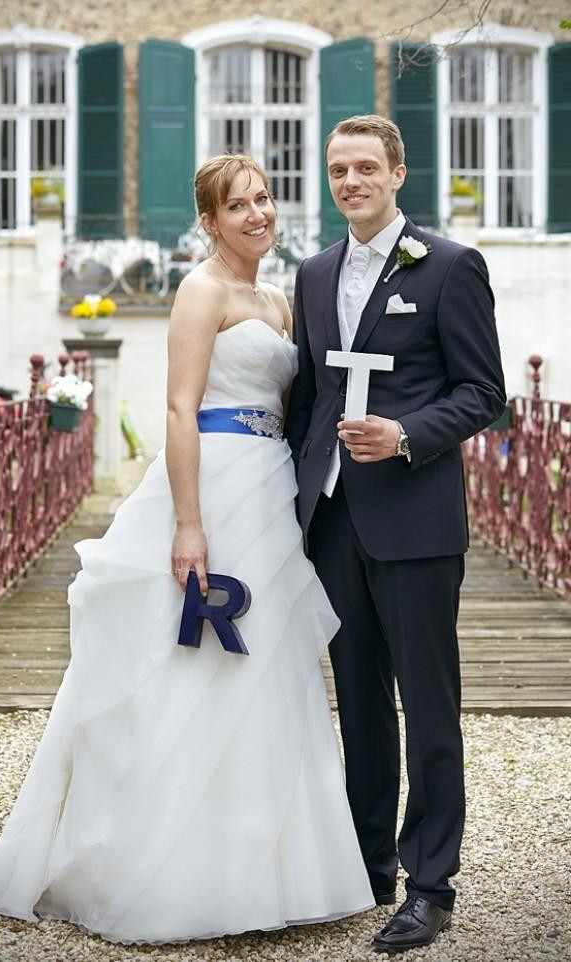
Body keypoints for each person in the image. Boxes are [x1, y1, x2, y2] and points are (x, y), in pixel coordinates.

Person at [0, 154, 374, 945]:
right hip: (212, 487)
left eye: (264, 199)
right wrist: (189, 524)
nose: (258, 214)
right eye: (238, 205)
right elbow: (180, 409)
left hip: (270, 490)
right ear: (210, 221)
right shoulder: (200, 290)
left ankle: (264, 865)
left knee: (265, 666)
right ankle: (165, 863)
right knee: (192, 663)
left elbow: (293, 410)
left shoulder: (279, 301)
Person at [285, 115, 506, 954]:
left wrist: (407, 434)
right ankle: (368, 863)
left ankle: (431, 884)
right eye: (339, 169)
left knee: (428, 701)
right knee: (361, 703)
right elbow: (306, 398)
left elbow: (485, 391)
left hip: (414, 518)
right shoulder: (312, 274)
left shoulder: (449, 266)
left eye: (366, 167)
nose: (352, 181)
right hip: (334, 519)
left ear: (398, 173)